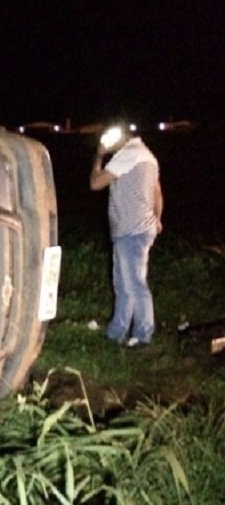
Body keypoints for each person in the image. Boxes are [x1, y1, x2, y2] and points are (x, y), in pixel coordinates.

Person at [90, 126, 163, 347]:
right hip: (138, 228)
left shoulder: (127, 155)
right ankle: (117, 332)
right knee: (124, 284)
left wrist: (99, 156)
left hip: (131, 229)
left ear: (123, 138)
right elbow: (157, 193)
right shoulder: (148, 156)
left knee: (134, 285)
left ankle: (143, 335)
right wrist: (157, 219)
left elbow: (95, 183)